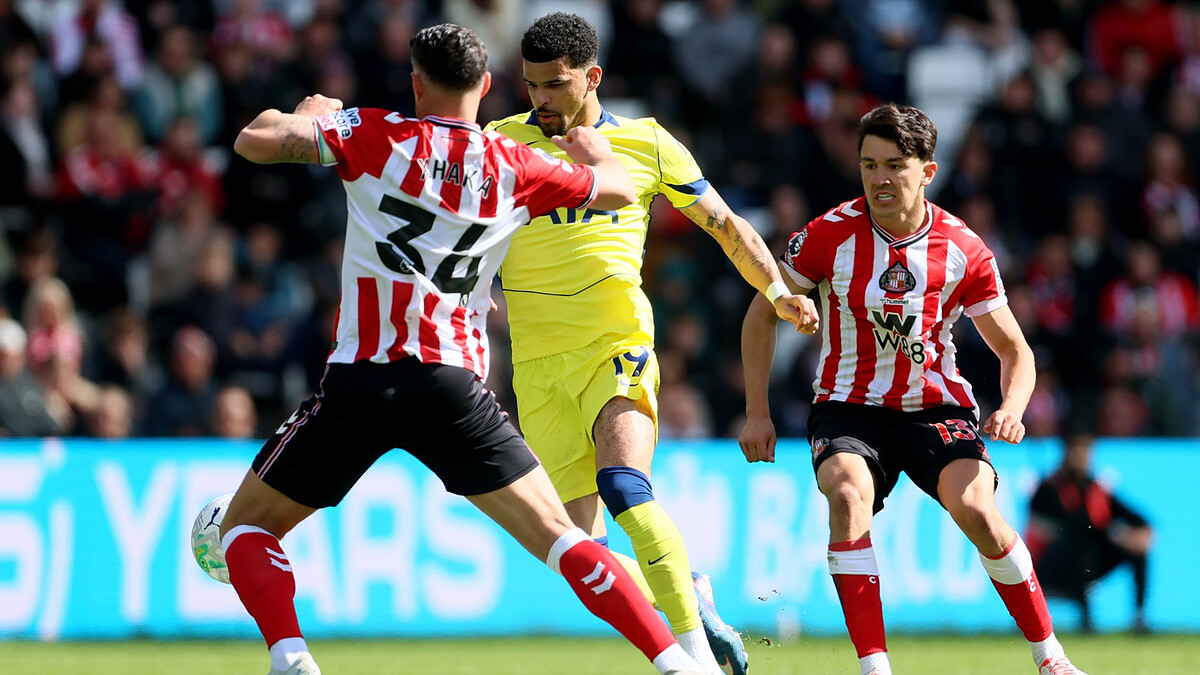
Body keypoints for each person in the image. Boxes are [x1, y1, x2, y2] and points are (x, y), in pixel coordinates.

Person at [217, 23, 720, 675]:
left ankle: (293, 658)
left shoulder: (375, 134)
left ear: (416, 84)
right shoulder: (517, 163)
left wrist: (304, 114)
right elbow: (619, 189)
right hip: (453, 385)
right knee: (565, 539)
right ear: (486, 86)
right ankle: (681, 663)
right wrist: (595, 152)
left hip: (363, 377)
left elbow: (253, 140)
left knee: (246, 529)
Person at [485, 13, 819, 675]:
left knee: (624, 482)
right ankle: (692, 594)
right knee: (583, 550)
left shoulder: (646, 142)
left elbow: (727, 227)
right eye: (531, 86)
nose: (541, 100)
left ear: (593, 77)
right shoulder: (499, 142)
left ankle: (692, 656)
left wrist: (778, 292)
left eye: (555, 85)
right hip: (537, 362)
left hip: (616, 340)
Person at [739, 103, 1087, 675]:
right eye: (869, 164)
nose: (879, 178)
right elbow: (759, 316)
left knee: (978, 510)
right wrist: (757, 412)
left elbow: (1016, 351)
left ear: (927, 171)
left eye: (895, 165)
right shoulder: (828, 235)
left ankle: (1050, 659)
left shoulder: (964, 248)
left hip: (934, 409)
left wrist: (1014, 407)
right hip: (848, 408)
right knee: (847, 498)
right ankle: (876, 668)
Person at [1027, 433, 1153, 633]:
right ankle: (1086, 620)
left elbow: (1135, 516)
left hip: (1090, 560)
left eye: (1086, 450)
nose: (1082, 456)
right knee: (1079, 543)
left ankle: (1139, 617)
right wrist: (1116, 535)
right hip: (1051, 565)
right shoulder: (1049, 488)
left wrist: (1142, 533)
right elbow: (1070, 526)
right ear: (1066, 453)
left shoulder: (1096, 488)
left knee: (1138, 550)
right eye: (1077, 450)